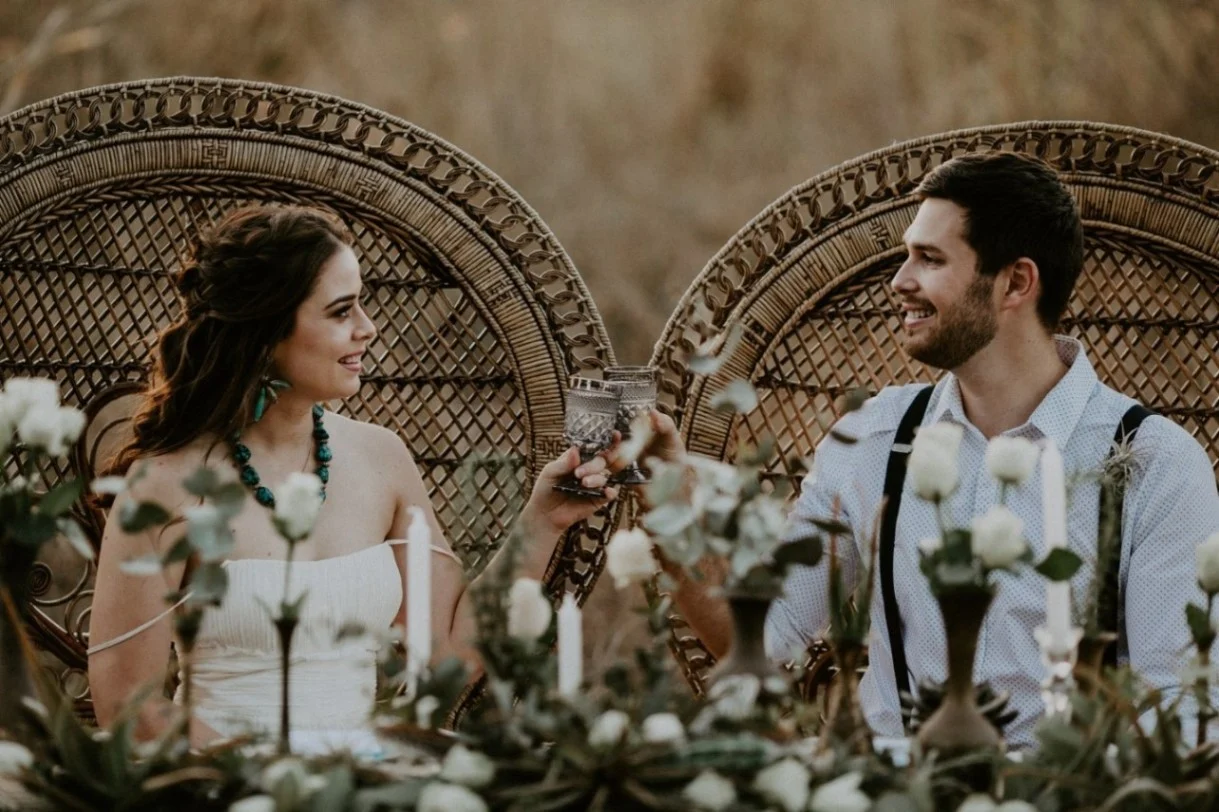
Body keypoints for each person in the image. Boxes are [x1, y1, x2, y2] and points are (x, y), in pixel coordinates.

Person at [660, 152, 1219, 748]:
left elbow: (1181, 718)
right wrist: (671, 521)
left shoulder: (1156, 464)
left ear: (1016, 283)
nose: (900, 281)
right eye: (908, 255)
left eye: (929, 259)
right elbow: (764, 640)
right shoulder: (871, 438)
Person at [87, 205, 616, 753]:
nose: (368, 327)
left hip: (365, 779)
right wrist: (277, 780)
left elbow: (447, 653)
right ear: (267, 333)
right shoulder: (165, 486)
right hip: (222, 785)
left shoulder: (380, 457)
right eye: (341, 311)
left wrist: (542, 520)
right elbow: (128, 703)